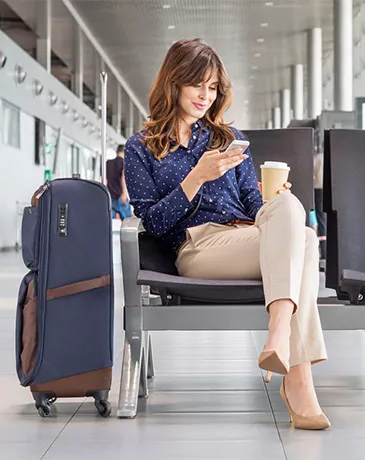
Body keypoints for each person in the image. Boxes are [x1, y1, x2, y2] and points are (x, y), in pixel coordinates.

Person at [124, 39, 329, 430]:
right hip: (196, 247)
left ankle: (279, 334)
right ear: (174, 83)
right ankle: (296, 377)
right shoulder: (141, 147)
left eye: (213, 87)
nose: (206, 95)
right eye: (197, 84)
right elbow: (152, 223)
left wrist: (276, 202)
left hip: (246, 239)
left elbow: (254, 204)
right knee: (301, 242)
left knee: (292, 214)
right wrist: (197, 177)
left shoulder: (226, 138)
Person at [106, 145, 131, 220]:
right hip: (120, 196)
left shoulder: (107, 163)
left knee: (110, 222)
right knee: (128, 223)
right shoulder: (124, 163)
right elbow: (123, 178)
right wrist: (124, 193)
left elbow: (104, 180)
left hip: (109, 196)